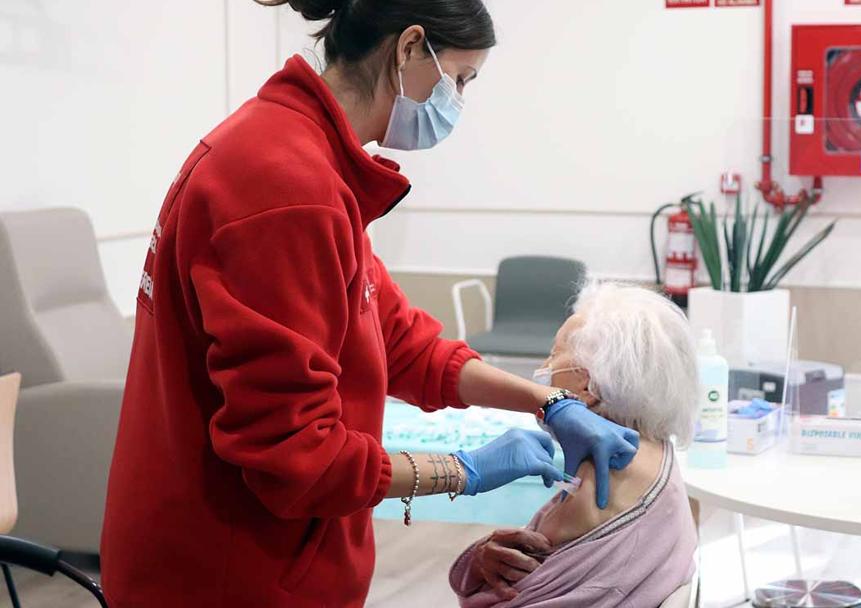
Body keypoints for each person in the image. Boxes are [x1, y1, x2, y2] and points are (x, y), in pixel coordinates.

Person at [100, 1, 640, 607]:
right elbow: (298, 458)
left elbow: (401, 341)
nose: (457, 101)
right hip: (227, 574)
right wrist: (465, 469)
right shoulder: (286, 188)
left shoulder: (304, 158)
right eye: (460, 79)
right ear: (410, 47)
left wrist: (547, 401)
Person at [449, 282, 701, 607]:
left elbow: (504, 596)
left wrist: (475, 560)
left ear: (588, 384)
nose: (545, 367)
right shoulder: (656, 450)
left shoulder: (599, 482)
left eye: (554, 354)